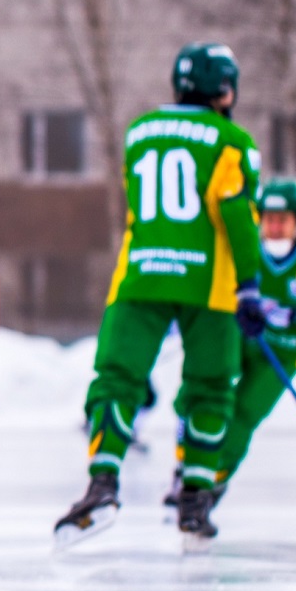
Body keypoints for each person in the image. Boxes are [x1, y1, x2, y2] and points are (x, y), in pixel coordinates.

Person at [53, 42, 263, 549]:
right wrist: (250, 287)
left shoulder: (139, 133)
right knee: (211, 387)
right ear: (225, 90)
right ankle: (194, 500)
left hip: (140, 275)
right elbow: (236, 215)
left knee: (117, 379)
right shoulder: (233, 142)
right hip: (207, 283)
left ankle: (102, 485)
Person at [162, 177, 296, 507]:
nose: (273, 228)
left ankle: (214, 481)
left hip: (284, 352)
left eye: (282, 220)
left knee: (245, 412)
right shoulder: (250, 250)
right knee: (203, 387)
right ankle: (186, 465)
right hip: (241, 333)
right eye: (267, 219)